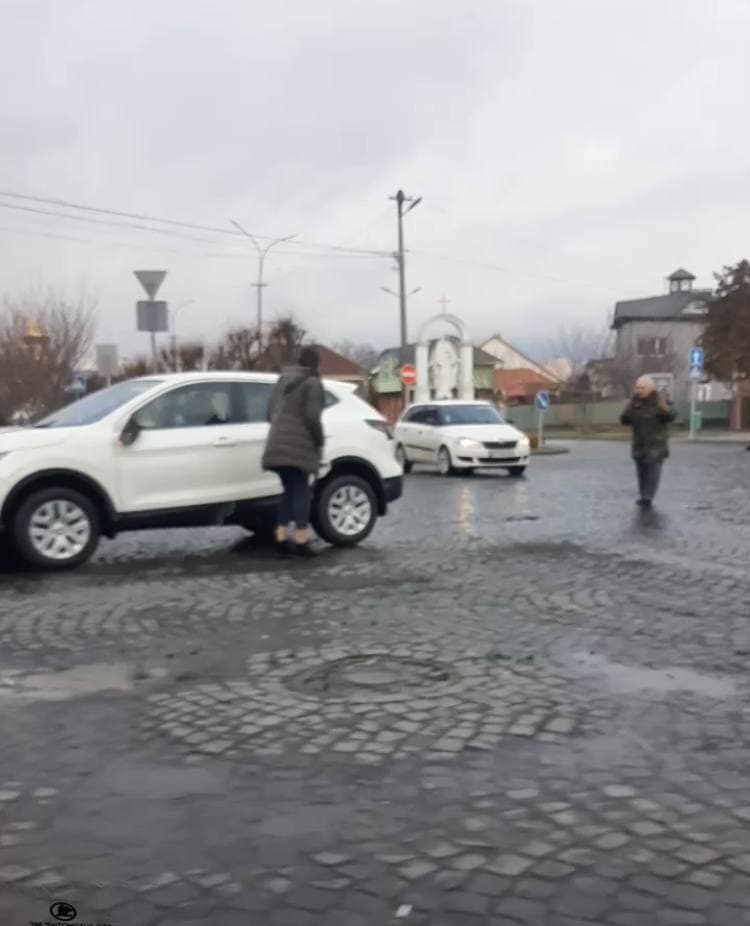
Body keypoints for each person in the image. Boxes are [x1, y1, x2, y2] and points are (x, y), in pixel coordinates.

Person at [262, 347, 324, 556]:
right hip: (299, 445)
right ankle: (301, 540)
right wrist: (319, 440)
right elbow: (312, 417)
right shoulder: (313, 383)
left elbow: (269, 412)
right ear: (315, 364)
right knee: (301, 492)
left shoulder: (283, 381)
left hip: (275, 444)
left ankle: (280, 536)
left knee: (289, 490)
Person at [620, 375, 676, 506]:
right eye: (637, 387)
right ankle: (643, 494)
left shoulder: (659, 401)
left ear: (650, 388)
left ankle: (647, 496)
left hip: (656, 444)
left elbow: (670, 415)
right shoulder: (634, 403)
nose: (639, 390)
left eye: (642, 388)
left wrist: (668, 409)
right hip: (639, 444)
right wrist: (627, 411)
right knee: (641, 473)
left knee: (653, 472)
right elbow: (624, 420)